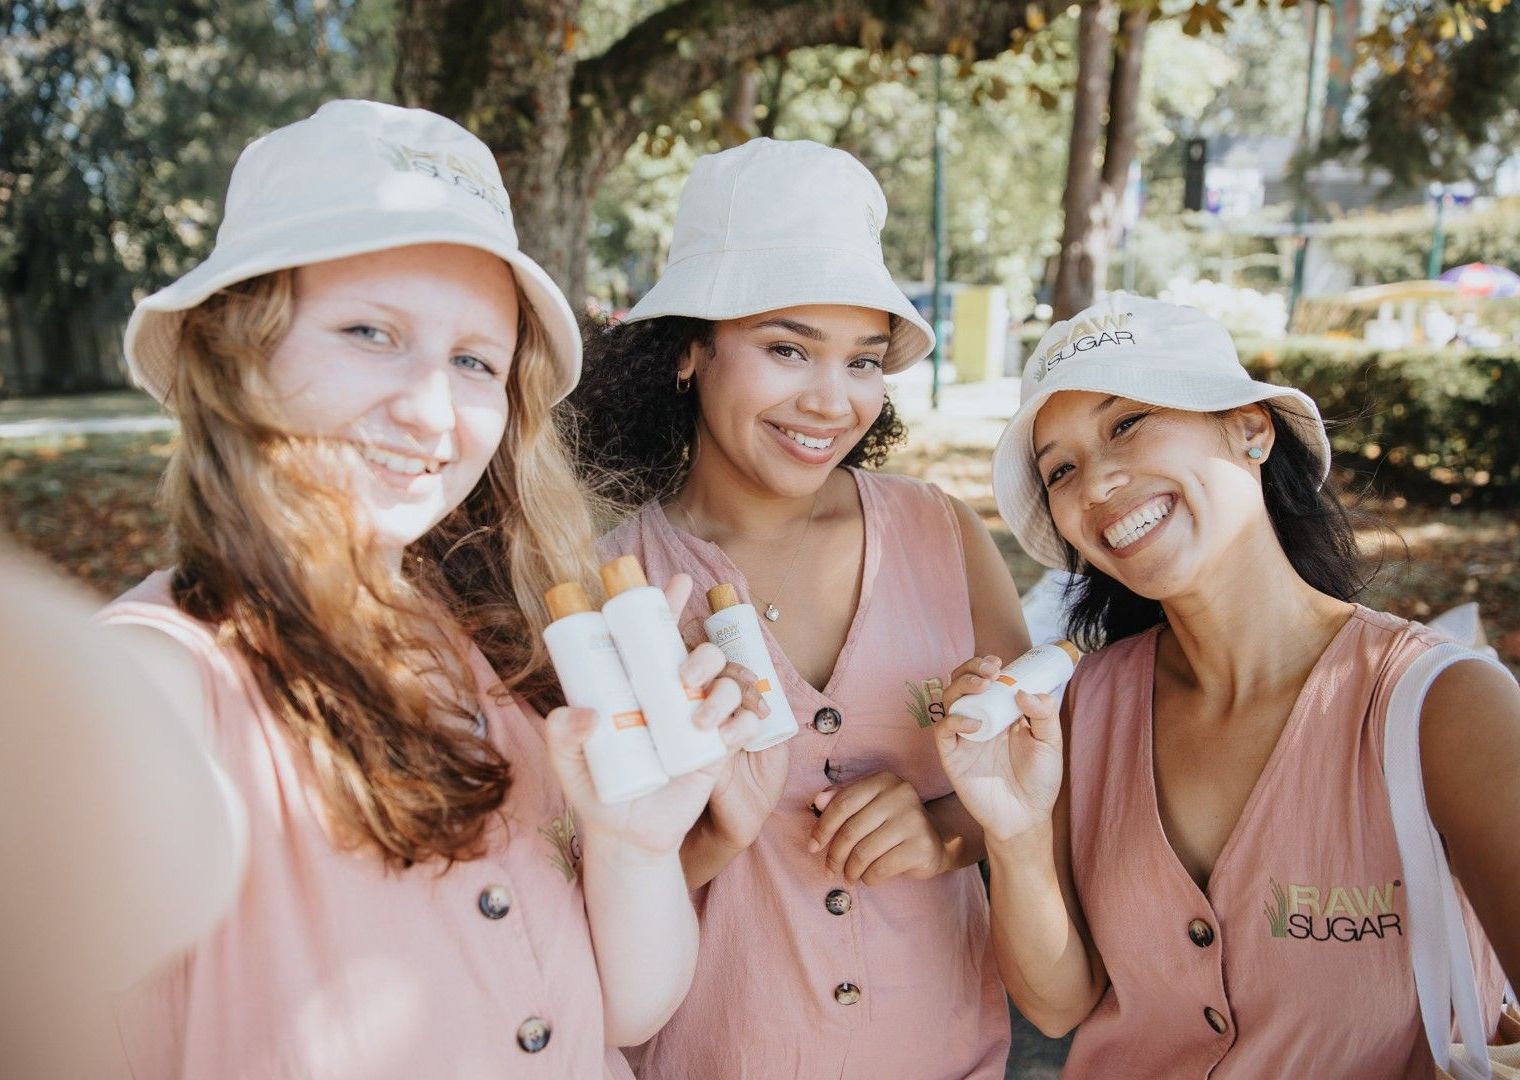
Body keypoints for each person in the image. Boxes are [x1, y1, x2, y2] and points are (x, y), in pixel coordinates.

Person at [96, 100, 758, 1079]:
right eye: (370, 331)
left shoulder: (489, 647)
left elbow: (623, 1010)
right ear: (236, 353)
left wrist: (634, 842)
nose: (432, 410)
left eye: (473, 361)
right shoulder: (153, 691)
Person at [934, 294, 1520, 1076]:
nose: (1098, 481)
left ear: (1250, 426)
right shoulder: (1081, 708)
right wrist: (1014, 831)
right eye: (1061, 469)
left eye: (1128, 421)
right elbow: (1058, 1003)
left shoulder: (1443, 707)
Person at [569, 137, 1032, 1079]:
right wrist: (703, 838)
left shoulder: (943, 535)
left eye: (863, 362)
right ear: (692, 350)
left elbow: (1034, 788)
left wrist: (945, 831)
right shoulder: (610, 591)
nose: (831, 401)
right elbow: (578, 893)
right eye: (787, 349)